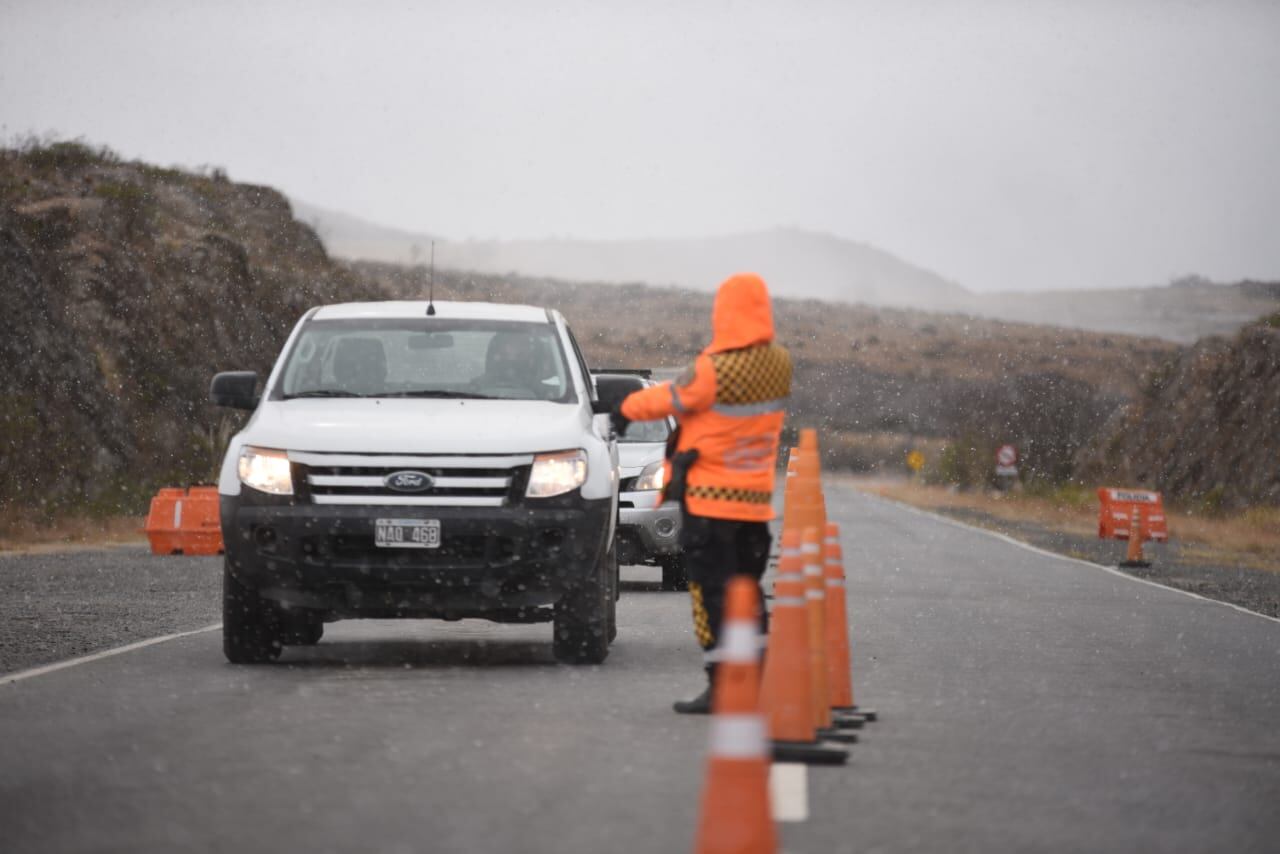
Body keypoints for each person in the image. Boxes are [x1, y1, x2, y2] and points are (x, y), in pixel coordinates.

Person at [612, 272, 792, 714]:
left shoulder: (715, 369)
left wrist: (622, 408)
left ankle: (721, 684)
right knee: (747, 592)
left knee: (710, 596)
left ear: (724, 313)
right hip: (753, 507)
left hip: (709, 503)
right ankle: (755, 677)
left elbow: (669, 398)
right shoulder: (779, 364)